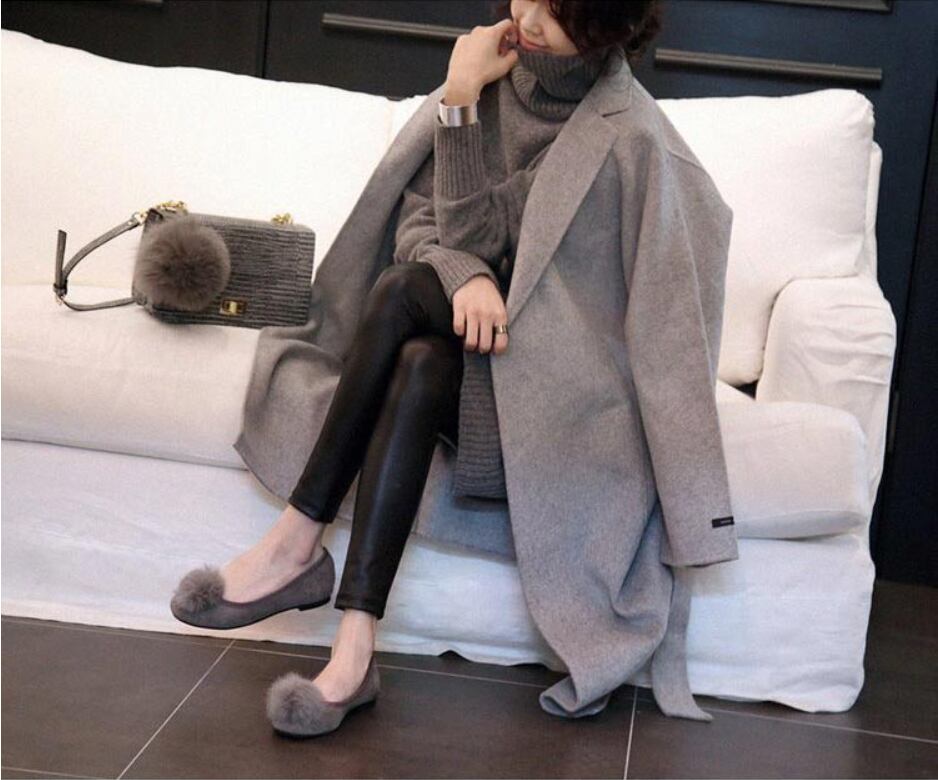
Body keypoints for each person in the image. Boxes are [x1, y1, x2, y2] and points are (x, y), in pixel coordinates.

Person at [172, 0, 663, 734]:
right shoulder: (492, 80)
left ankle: (295, 542)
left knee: (404, 291)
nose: (528, 17)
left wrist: (460, 111)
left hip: (545, 384)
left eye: (558, 11)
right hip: (461, 357)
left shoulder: (623, 135)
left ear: (605, 24)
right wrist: (462, 115)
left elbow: (548, 284)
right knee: (422, 358)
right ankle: (355, 645)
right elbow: (423, 226)